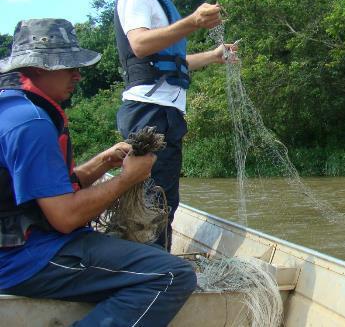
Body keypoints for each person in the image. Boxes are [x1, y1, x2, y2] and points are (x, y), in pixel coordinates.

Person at [0, 18, 197, 326]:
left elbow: (41, 193)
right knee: (172, 275)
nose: (77, 75)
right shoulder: (33, 124)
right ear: (38, 68)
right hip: (20, 260)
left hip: (15, 247)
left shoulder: (13, 106)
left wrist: (102, 163)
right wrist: (128, 178)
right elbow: (65, 218)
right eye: (68, 66)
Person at [115, 0, 235, 251]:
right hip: (149, 112)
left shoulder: (157, 1)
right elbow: (140, 44)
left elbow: (172, 62)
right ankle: (154, 272)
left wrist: (214, 56)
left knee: (165, 199)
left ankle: (157, 265)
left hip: (162, 113)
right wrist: (193, 21)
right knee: (154, 202)